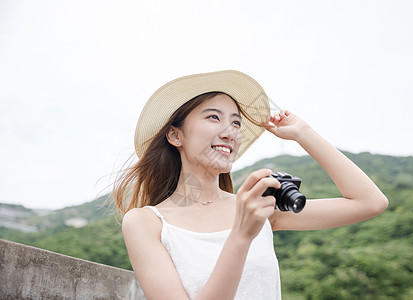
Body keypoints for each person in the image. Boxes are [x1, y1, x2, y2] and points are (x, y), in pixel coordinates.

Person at [113, 70, 388, 300]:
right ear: (175, 135)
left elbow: (370, 202)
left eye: (236, 122)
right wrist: (241, 235)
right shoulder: (146, 222)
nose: (231, 132)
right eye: (213, 117)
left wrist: (303, 133)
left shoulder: (259, 209)